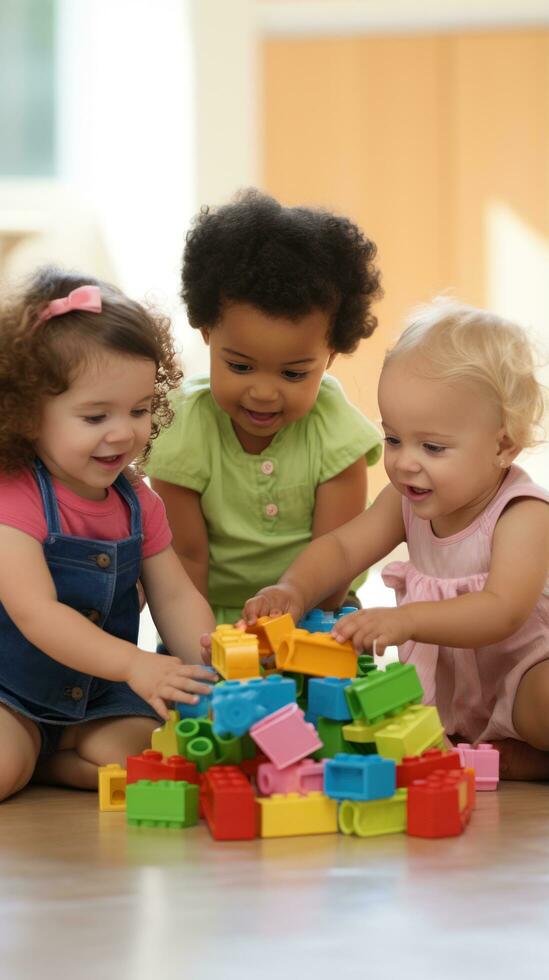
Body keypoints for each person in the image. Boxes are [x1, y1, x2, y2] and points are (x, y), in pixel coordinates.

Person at [243, 299, 549, 780]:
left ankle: (524, 748)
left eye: (432, 447)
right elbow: (342, 548)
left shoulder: (522, 513)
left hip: (523, 667)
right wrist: (292, 591)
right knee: (393, 730)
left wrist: (406, 619)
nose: (405, 462)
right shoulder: (405, 499)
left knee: (543, 704)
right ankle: (507, 755)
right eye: (393, 439)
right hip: (454, 690)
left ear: (503, 445)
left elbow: (502, 610)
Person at [0, 267, 216, 802]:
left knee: (157, 752)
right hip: (11, 694)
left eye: (139, 410)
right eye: (95, 416)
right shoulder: (15, 496)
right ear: (28, 415)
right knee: (3, 767)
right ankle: (38, 761)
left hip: (100, 698)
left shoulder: (137, 501)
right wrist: (136, 663)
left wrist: (216, 669)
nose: (123, 432)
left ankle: (53, 762)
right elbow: (36, 613)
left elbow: (174, 594)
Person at [146, 189, 383, 624]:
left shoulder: (336, 434)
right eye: (240, 366)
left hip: (320, 609)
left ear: (330, 355)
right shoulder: (183, 430)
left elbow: (335, 563)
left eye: (293, 373)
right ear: (206, 333)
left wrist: (293, 623)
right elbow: (186, 561)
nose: (264, 392)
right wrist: (204, 646)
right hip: (208, 616)